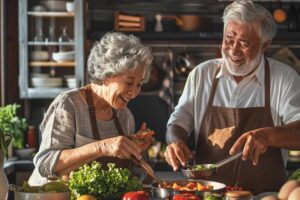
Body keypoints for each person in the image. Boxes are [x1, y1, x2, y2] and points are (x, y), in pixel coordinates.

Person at [164, 0, 300, 194]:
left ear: (265, 45)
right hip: (208, 194)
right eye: (229, 39)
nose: (233, 50)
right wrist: (175, 141)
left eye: (244, 43)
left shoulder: (285, 78)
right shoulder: (202, 74)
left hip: (265, 196)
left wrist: (268, 136)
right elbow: (177, 122)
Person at [29, 32, 153, 185]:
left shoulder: (125, 116)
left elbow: (129, 176)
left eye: (139, 84)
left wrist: (136, 154)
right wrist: (102, 147)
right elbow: (45, 163)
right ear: (105, 75)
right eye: (129, 82)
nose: (134, 92)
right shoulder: (69, 104)